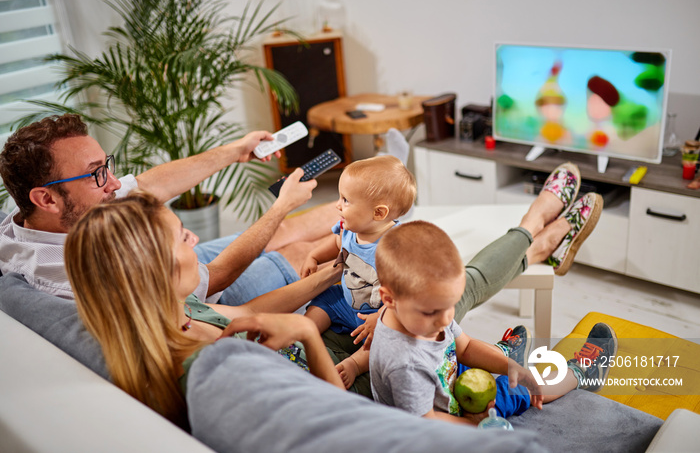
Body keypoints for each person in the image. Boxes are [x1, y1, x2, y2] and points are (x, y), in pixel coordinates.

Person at [64, 190, 345, 428]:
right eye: (183, 237)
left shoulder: (172, 311)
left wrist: (334, 272)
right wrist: (306, 331)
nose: (195, 238)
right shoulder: (214, 373)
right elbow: (337, 420)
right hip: (347, 387)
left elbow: (247, 313)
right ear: (157, 269)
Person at [0, 114, 336, 304]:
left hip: (178, 261)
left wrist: (236, 150)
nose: (114, 184)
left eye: (108, 166)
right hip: (197, 293)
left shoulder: (36, 217)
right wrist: (280, 207)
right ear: (46, 199)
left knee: (290, 231)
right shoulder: (81, 272)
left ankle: (383, 196)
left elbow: (146, 185)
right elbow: (216, 277)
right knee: (299, 253)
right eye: (97, 174)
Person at [369, 220, 618, 424]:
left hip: (450, 380)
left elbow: (464, 348)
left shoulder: (426, 315)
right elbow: (426, 424)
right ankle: (581, 373)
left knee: (514, 372)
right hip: (449, 418)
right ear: (389, 299)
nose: (446, 319)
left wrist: (511, 367)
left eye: (450, 305)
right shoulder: (404, 364)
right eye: (432, 311)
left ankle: (511, 356)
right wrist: (473, 423)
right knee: (526, 389)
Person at [300, 155, 415, 388]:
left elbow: (404, 294)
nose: (337, 205)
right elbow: (336, 243)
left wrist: (382, 316)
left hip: (376, 313)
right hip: (345, 300)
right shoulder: (351, 227)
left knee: (392, 336)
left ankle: (355, 364)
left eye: (346, 200)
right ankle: (302, 336)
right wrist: (314, 256)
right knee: (322, 300)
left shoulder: (396, 247)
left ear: (379, 213)